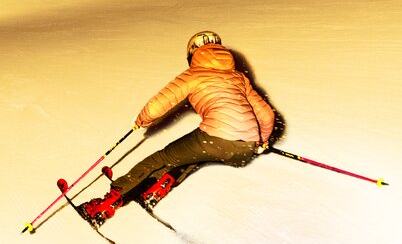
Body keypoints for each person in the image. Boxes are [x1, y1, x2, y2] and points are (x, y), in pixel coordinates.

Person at [80, 30, 275, 224]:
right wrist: (261, 141)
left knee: (163, 158)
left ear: (193, 54)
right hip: (246, 146)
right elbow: (266, 115)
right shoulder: (238, 77)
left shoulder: (194, 74)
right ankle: (155, 191)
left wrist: (141, 120)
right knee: (193, 155)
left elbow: (158, 105)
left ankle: (105, 205)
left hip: (216, 136)